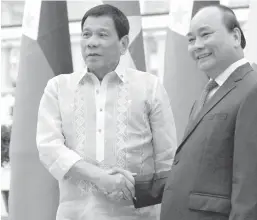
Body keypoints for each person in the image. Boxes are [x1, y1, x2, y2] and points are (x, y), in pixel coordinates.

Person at [112, 4, 257, 220]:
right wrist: (135, 187)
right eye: (191, 39)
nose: (197, 46)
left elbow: (251, 190)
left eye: (205, 35)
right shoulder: (208, 93)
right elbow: (194, 171)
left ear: (235, 36)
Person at [36, 4, 177, 220]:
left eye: (102, 34)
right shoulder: (58, 88)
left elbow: (167, 159)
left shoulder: (150, 87)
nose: (91, 42)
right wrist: (101, 177)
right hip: (76, 214)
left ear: (123, 44)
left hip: (138, 215)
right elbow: (49, 147)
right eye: (86, 34)